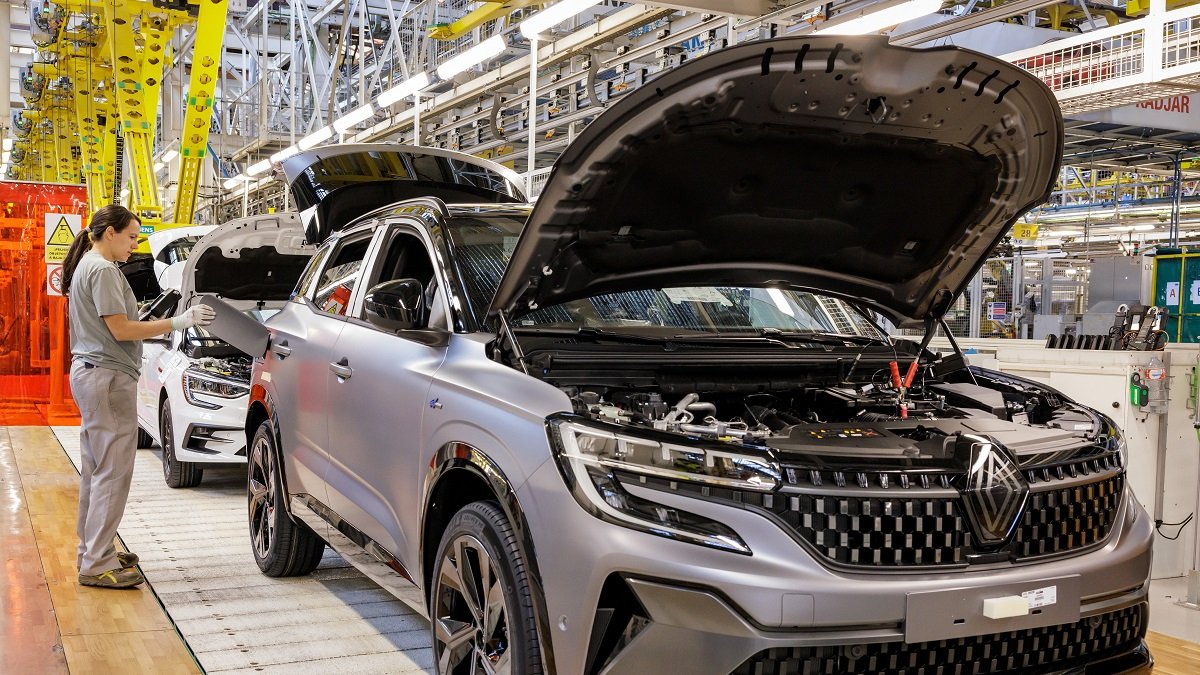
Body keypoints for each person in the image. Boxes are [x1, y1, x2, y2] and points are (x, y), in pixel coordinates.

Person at [60, 205, 215, 589]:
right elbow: (121, 330)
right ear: (110, 233)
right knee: (113, 473)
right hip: (108, 378)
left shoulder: (90, 266)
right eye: (131, 236)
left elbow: (118, 324)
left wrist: (151, 317)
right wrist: (179, 321)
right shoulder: (102, 270)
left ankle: (92, 550)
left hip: (93, 375)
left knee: (97, 471)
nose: (135, 244)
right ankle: (97, 563)